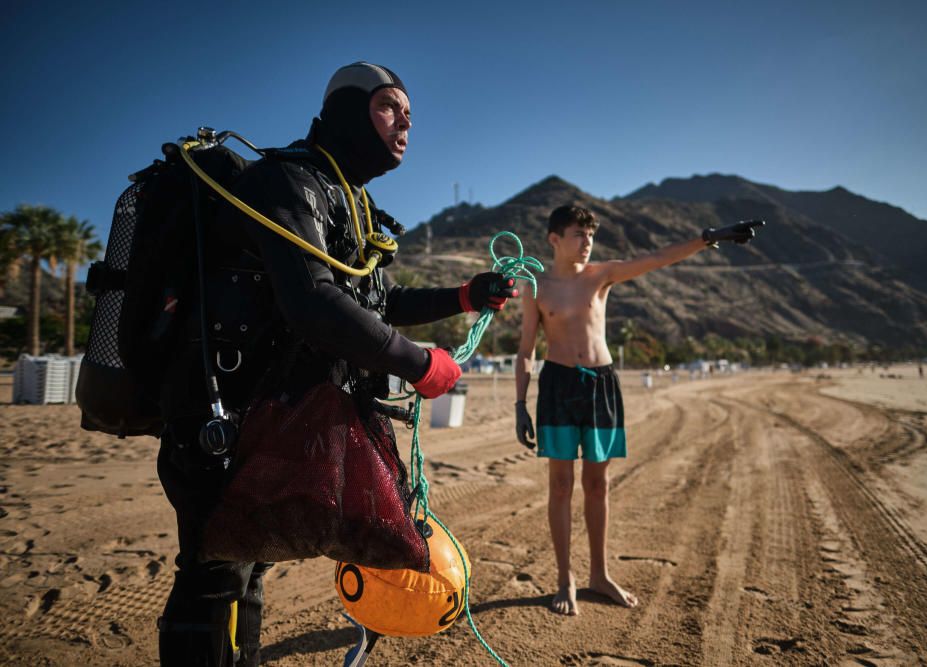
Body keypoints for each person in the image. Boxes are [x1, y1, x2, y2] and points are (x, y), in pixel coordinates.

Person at [155, 62, 516, 666]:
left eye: (409, 114)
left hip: (278, 420)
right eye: (387, 107)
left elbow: (377, 301)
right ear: (348, 112)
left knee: (249, 566)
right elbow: (311, 301)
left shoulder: (351, 200)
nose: (404, 122)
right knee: (213, 572)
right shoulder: (288, 180)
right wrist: (417, 363)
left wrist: (463, 296)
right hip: (222, 414)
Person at [514, 204, 762, 616]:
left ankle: (599, 574)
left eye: (591, 235)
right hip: (557, 386)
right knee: (560, 485)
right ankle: (565, 578)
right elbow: (526, 350)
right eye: (579, 235)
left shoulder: (602, 275)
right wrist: (520, 405)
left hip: (602, 387)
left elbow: (657, 258)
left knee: (599, 486)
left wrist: (709, 237)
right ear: (554, 239)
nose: (588, 243)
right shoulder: (536, 287)